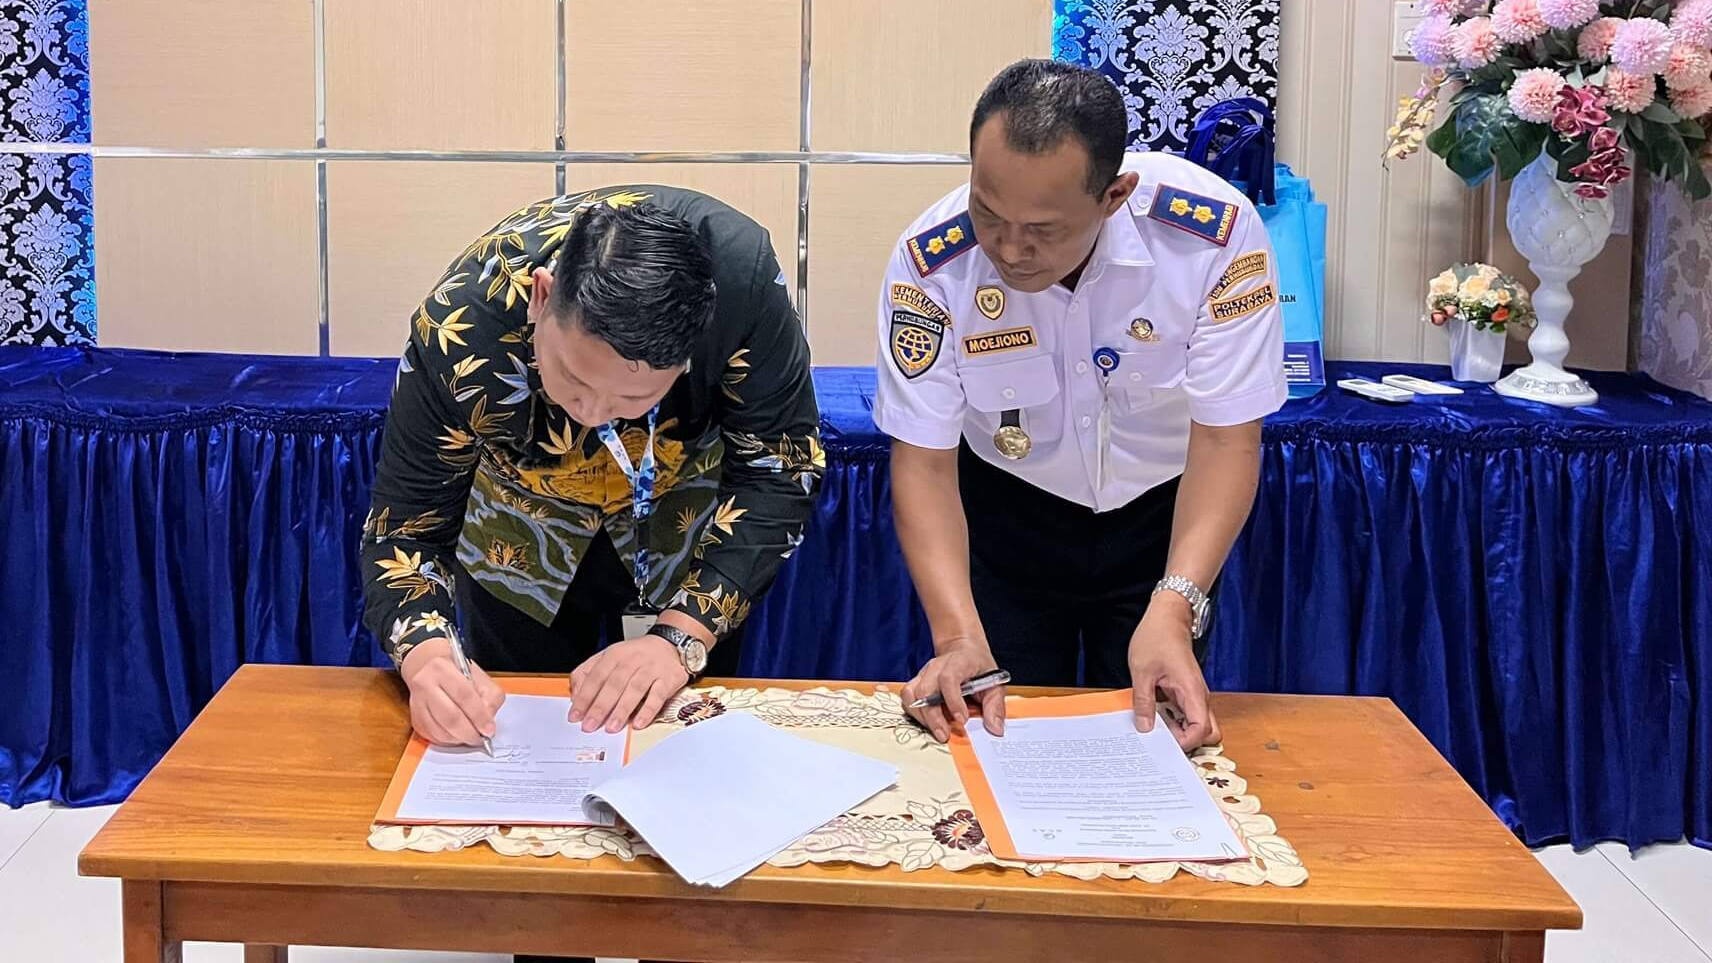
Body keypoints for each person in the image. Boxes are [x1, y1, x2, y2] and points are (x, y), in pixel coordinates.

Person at [877, 60, 1286, 752]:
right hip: (1008, 515)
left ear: (1114, 195)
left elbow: (1226, 440)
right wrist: (956, 638)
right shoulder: (931, 262)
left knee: (1147, 741)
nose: (1011, 249)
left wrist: (1177, 604)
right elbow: (923, 463)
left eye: (1043, 229)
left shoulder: (1211, 237)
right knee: (994, 736)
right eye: (988, 213)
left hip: (1162, 519)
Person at [362, 186, 823, 752]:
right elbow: (405, 529)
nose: (592, 413)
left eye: (633, 399)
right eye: (573, 379)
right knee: (519, 732)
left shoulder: (740, 286)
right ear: (542, 297)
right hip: (519, 537)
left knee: (681, 745)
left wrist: (681, 639)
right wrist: (428, 656)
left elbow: (780, 470)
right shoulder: (461, 326)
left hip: (683, 527)